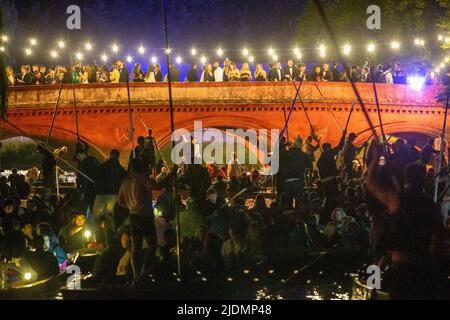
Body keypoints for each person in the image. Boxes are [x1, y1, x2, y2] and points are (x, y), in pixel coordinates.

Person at [117, 159, 160, 284]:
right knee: (152, 245)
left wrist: (131, 205)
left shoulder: (125, 182)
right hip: (145, 215)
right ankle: (143, 273)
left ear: (130, 168)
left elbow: (120, 202)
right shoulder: (142, 178)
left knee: (135, 248)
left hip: (133, 216)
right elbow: (155, 187)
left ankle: (136, 277)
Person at [93, 149, 127, 242]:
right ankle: (111, 238)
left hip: (101, 194)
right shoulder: (121, 169)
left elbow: (96, 179)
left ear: (110, 155)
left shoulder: (102, 167)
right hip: (113, 195)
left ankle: (99, 238)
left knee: (96, 216)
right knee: (109, 216)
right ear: (118, 157)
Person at [317, 130, 346, 217]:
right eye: (329, 148)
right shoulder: (329, 154)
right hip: (331, 180)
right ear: (328, 148)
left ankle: (326, 211)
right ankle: (334, 212)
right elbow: (340, 146)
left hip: (324, 181)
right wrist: (343, 135)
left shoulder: (320, 159)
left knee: (328, 197)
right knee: (334, 197)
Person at [75, 148, 100, 222]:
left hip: (89, 189)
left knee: (86, 206)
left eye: (79, 156)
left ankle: (85, 222)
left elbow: (86, 179)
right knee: (93, 207)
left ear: (83, 154)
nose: (78, 158)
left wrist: (83, 192)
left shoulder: (86, 164)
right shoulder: (93, 160)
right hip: (95, 188)